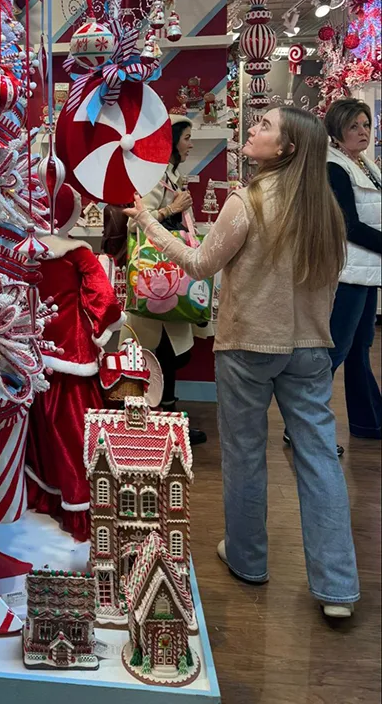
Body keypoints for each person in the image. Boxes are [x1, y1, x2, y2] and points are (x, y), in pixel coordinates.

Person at [124, 106, 360, 618]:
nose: (253, 129)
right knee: (319, 459)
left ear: (287, 148)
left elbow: (199, 264)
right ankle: (337, 586)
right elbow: (333, 281)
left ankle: (249, 558)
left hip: (249, 345)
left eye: (265, 126)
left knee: (246, 454)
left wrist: (146, 221)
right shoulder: (325, 208)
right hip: (310, 348)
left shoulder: (248, 200)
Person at [26, 184, 125, 541]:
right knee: (77, 433)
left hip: (32, 350)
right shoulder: (79, 255)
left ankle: (44, 494)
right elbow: (107, 300)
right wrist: (100, 328)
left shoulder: (24, 253)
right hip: (72, 352)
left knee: (40, 432)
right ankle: (80, 508)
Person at [124, 116, 207, 445]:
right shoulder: (156, 177)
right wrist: (171, 208)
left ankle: (164, 414)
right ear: (172, 140)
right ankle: (160, 418)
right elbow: (134, 224)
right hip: (157, 276)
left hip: (170, 277)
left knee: (173, 350)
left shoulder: (172, 175)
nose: (190, 144)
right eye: (187, 137)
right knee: (161, 350)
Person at [324, 98, 381, 440]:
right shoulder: (334, 167)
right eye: (353, 127)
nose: (362, 132)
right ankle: (302, 424)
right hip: (348, 273)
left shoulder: (365, 165)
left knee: (359, 347)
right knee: (336, 351)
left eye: (365, 125)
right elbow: (347, 224)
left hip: (366, 271)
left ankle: (368, 420)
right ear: (337, 131)